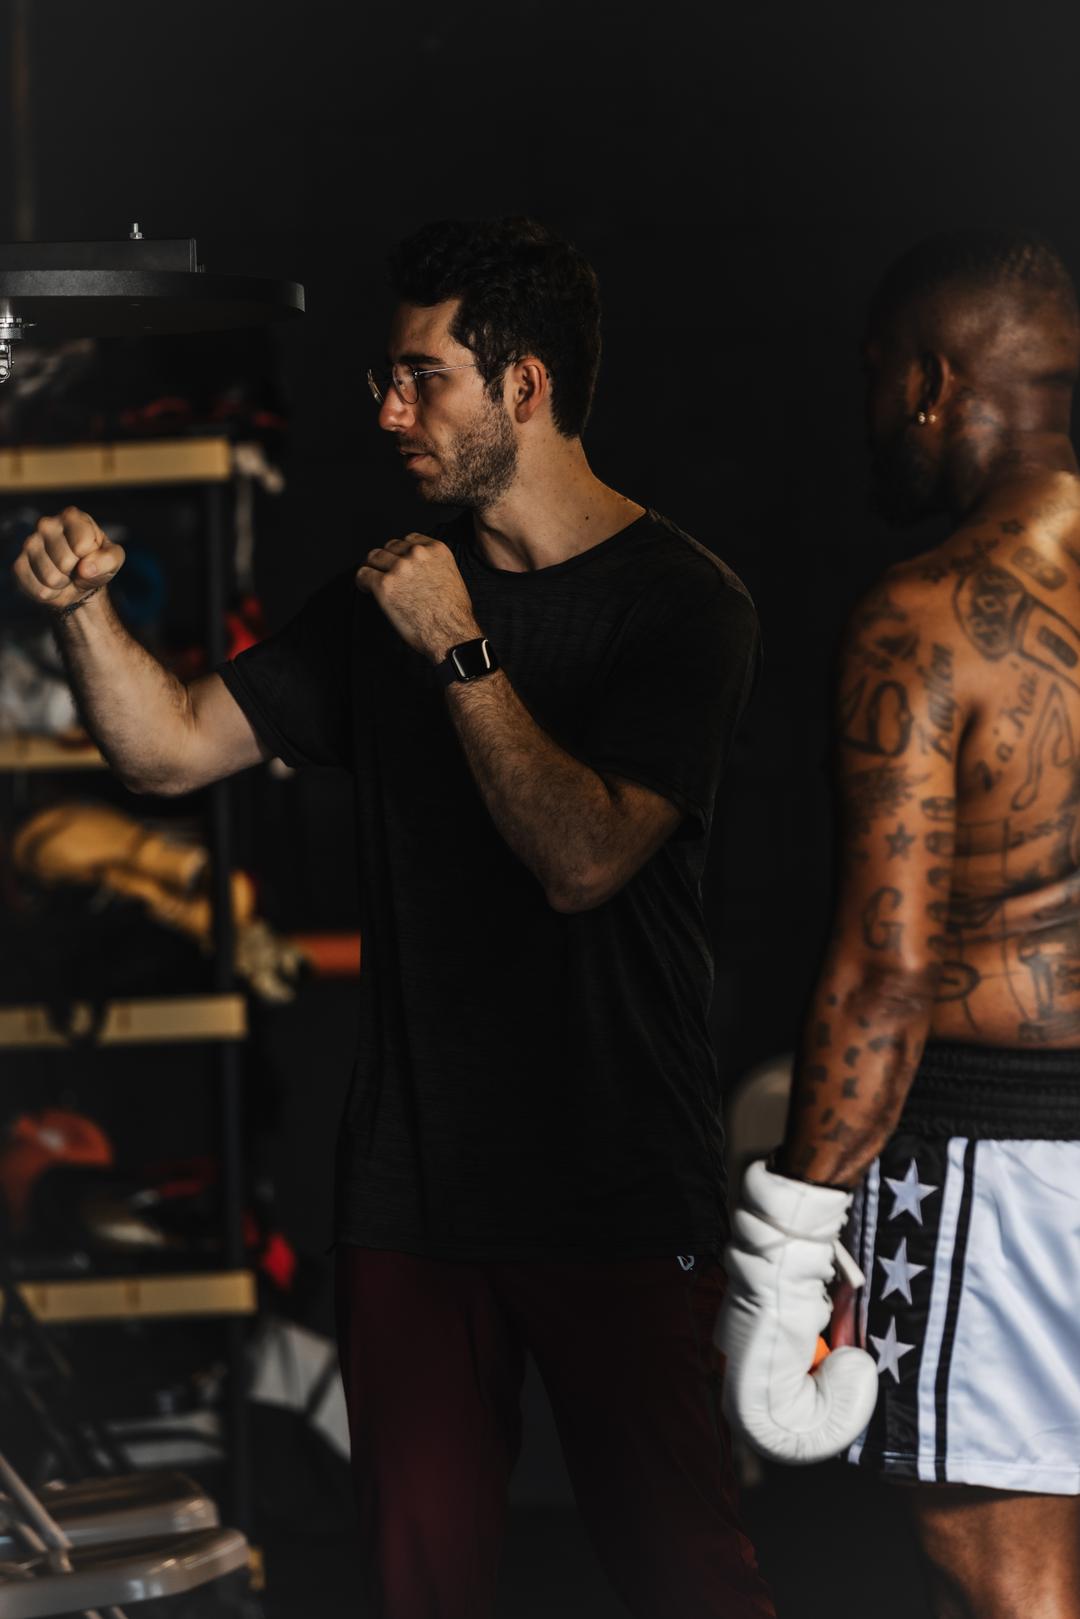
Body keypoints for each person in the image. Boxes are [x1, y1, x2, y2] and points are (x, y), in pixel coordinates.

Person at [14, 216, 774, 1619]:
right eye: (382, 376)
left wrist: (461, 652)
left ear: (524, 387)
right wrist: (88, 614)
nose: (387, 410)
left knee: (688, 1580)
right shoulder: (387, 594)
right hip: (413, 1196)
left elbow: (586, 859)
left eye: (421, 376)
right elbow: (169, 748)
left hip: (613, 1178)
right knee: (419, 1589)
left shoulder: (681, 605)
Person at [720, 227, 1080, 1619]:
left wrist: (789, 1247)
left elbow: (889, 970)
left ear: (935, 379)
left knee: (1007, 1580)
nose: (876, 418)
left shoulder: (927, 618)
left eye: (881, 383)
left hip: (1009, 1156)